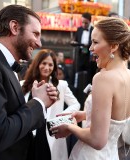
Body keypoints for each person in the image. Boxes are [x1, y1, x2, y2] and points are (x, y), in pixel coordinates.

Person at [0, 5, 59, 160]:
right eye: (35, 34)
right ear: (15, 27)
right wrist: (38, 103)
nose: (38, 43)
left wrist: (36, 99)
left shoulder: (6, 64)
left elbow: (12, 117)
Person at [51, 17, 130, 160]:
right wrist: (84, 115)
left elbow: (97, 140)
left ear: (113, 46)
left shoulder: (103, 78)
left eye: (95, 42)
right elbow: (114, 116)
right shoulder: (128, 75)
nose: (90, 48)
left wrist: (70, 127)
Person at [21, 49, 80, 160]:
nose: (47, 68)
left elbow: (75, 104)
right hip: (27, 136)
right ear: (37, 64)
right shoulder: (23, 85)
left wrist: (59, 118)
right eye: (44, 63)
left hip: (50, 136)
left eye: (50, 65)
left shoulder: (61, 86)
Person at [71, 12, 97, 85]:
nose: (84, 25)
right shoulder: (79, 29)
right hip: (80, 54)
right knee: (78, 72)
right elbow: (76, 40)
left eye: (86, 23)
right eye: (82, 22)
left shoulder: (94, 30)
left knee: (89, 74)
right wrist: (74, 42)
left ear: (89, 21)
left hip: (90, 55)